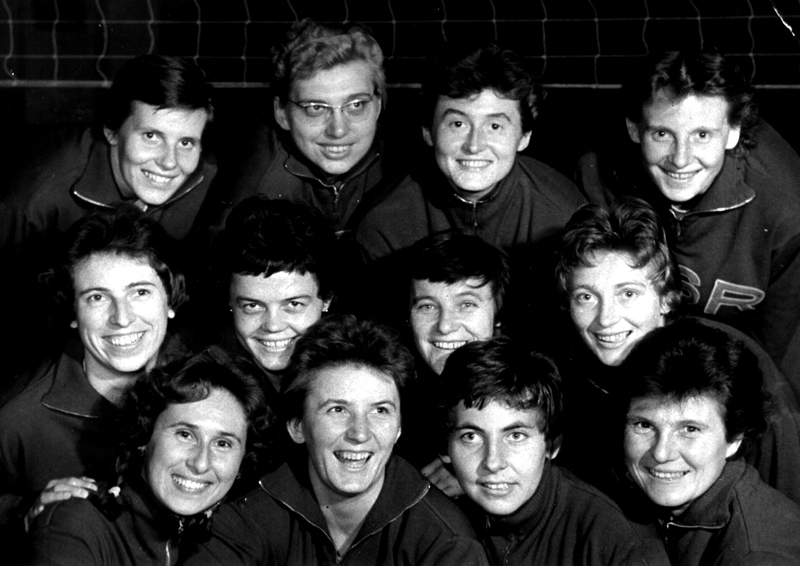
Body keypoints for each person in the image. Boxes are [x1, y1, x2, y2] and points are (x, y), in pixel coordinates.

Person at [576, 50, 800, 400]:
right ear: (635, 129)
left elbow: (775, 353)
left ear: (733, 132)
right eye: (662, 134)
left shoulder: (786, 206)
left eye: (702, 135)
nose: (680, 159)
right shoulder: (599, 177)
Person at [183, 314, 490, 565]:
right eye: (338, 410)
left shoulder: (445, 542)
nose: (360, 433)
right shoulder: (248, 516)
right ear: (297, 426)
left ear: (398, 427)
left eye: (380, 411)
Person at [553, 197, 800, 506]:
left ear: (667, 298)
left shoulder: (724, 363)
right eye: (586, 297)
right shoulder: (574, 364)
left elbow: (785, 491)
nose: (606, 319)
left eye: (628, 293)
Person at [0, 53, 215, 374]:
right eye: (151, 136)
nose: (170, 163)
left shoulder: (207, 182)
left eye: (186, 142)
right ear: (112, 131)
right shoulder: (35, 197)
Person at [0, 206, 188, 557]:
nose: (122, 318)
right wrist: (22, 512)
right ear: (73, 311)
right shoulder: (17, 417)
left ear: (171, 299)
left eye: (140, 292)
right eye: (97, 297)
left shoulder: (207, 382)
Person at [23, 346, 272, 566]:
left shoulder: (230, 538)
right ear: (144, 436)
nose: (200, 463)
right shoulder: (76, 525)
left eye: (223, 443)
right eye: (185, 434)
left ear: (242, 461)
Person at [435, 337, 670, 566]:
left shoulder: (616, 540)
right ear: (446, 448)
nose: (493, 462)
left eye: (516, 436)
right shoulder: (443, 522)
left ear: (552, 445)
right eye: (471, 437)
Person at [620, 322, 800, 565]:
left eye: (690, 429)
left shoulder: (756, 555)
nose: (661, 453)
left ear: (734, 438)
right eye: (644, 425)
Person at [205, 19, 394, 236]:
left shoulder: (401, 165)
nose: (338, 130)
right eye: (316, 108)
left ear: (378, 105)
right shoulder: (257, 186)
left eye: (356, 105)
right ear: (282, 113)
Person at [397, 231, 509, 491]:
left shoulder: (531, 387)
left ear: (497, 315)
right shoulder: (395, 392)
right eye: (427, 306)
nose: (445, 326)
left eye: (466, 305)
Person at [206, 196, 336, 409]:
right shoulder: (209, 386)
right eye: (253, 306)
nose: (273, 326)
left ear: (326, 298)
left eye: (293, 305)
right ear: (230, 302)